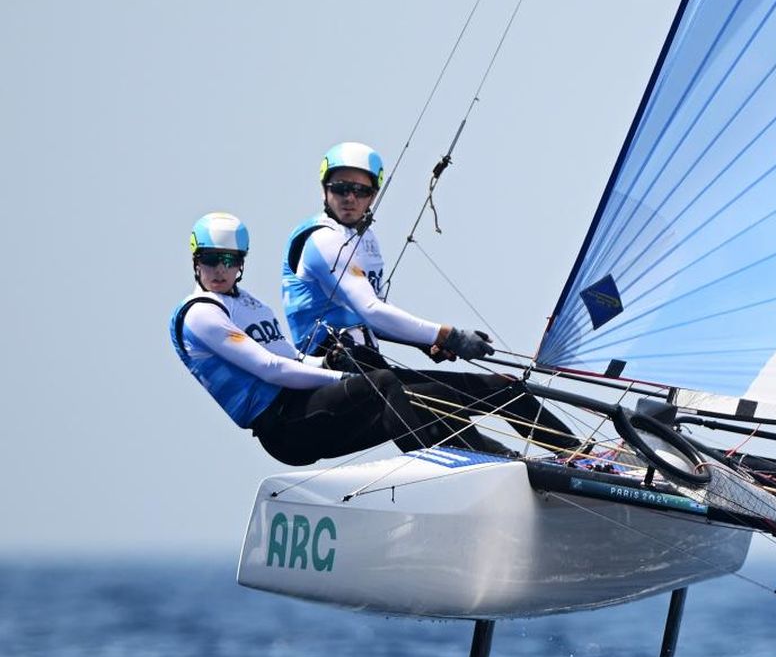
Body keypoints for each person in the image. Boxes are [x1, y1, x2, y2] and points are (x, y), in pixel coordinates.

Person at [281, 141, 576, 452]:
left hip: (372, 364)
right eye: (341, 188)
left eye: (362, 190)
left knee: (504, 389)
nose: (351, 198)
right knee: (441, 401)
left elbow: (374, 317)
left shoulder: (364, 239)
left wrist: (424, 341)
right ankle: (518, 465)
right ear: (325, 188)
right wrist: (447, 335)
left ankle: (580, 457)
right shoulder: (323, 240)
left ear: (374, 195)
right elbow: (371, 310)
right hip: (342, 371)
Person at [170, 212, 514, 465]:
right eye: (210, 260)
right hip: (283, 428)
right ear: (196, 262)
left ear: (241, 264)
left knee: (426, 397)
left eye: (229, 261)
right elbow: (272, 368)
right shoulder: (201, 314)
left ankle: (498, 460)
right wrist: (344, 376)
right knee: (382, 382)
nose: (219, 270)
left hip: (307, 408)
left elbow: (293, 358)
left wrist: (326, 361)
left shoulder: (252, 306)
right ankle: (437, 469)